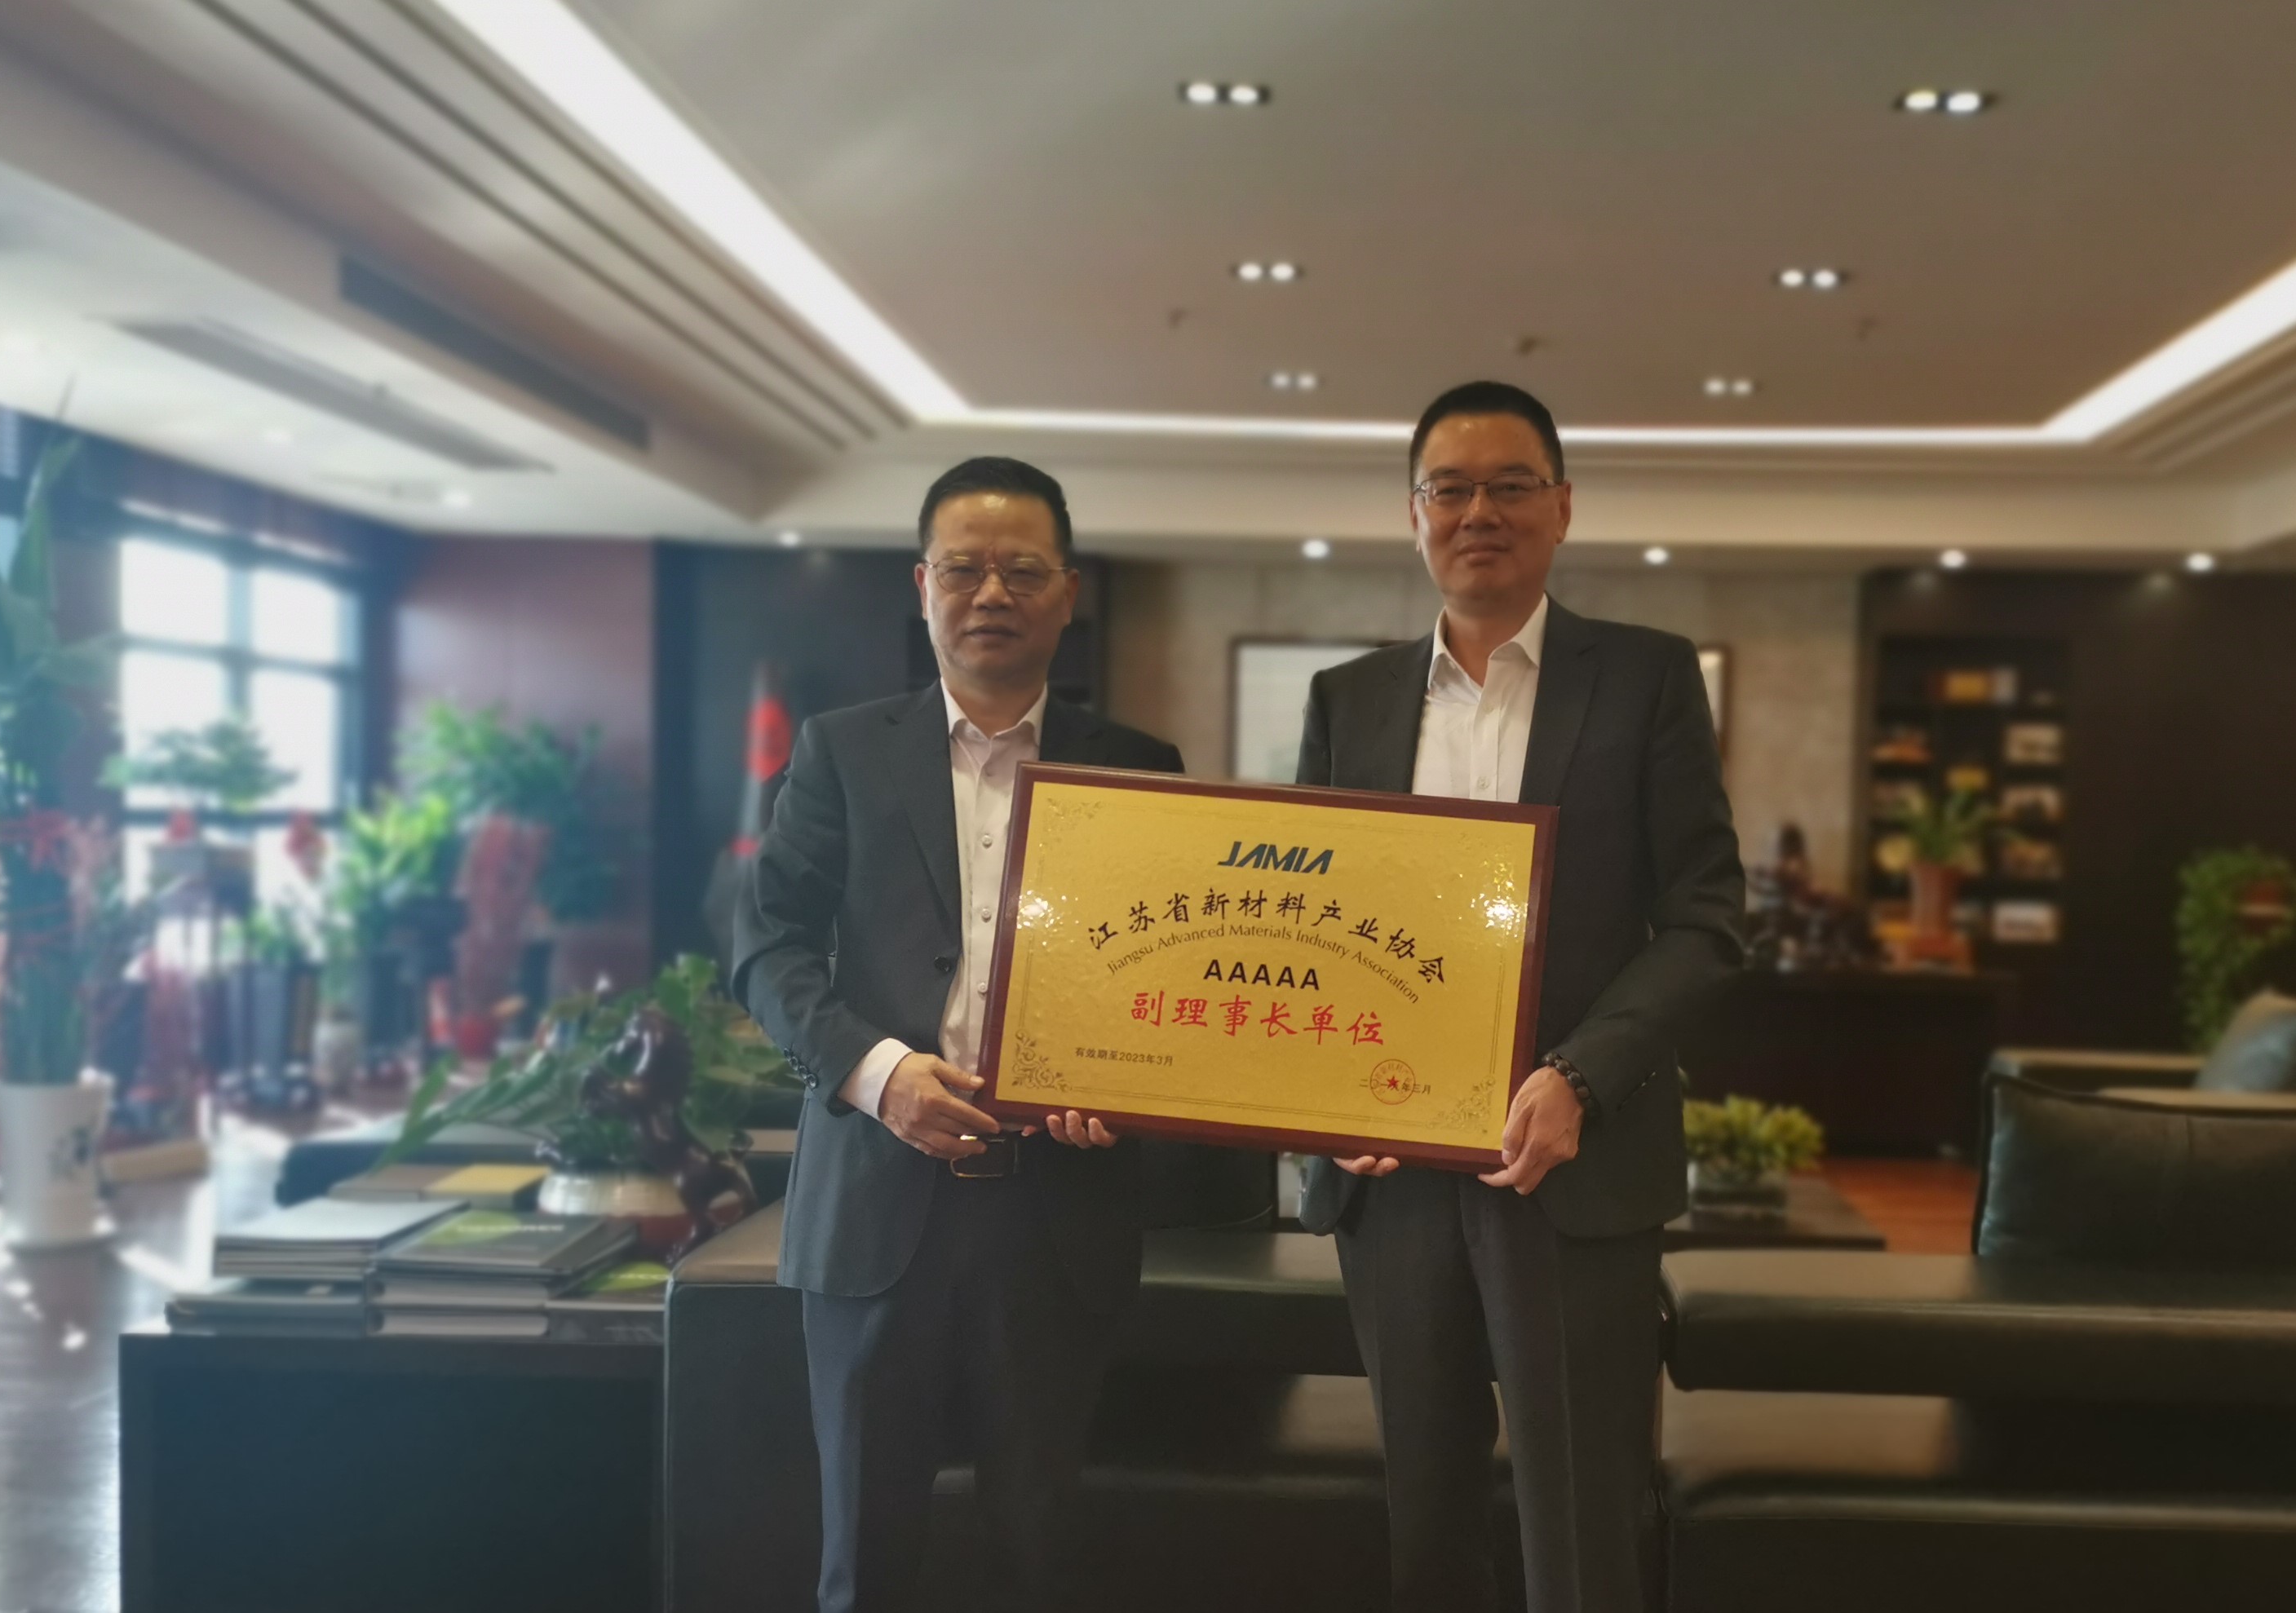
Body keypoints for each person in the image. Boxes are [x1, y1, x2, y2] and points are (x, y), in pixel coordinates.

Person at [1295, 381, 1745, 1613]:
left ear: (1561, 507)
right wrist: (1327, 1094)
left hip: (1570, 1160)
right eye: (1449, 488)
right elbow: (1314, 926)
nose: (1477, 512)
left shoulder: (1646, 678)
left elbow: (1706, 919)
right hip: (1391, 1178)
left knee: (1582, 1515)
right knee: (1426, 1514)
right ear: (1414, 513)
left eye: (1509, 486)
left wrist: (1581, 1076)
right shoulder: (1350, 700)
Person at [732, 456, 1185, 1613]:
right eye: (965, 569)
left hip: (1060, 1213)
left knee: (1043, 1555)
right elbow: (767, 948)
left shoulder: (1138, 768)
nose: (993, 593)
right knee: (866, 1558)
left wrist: (1123, 1082)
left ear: (1068, 593)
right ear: (922, 585)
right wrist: (877, 1075)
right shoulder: (842, 751)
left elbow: (1163, 976)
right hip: (876, 1209)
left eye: (1023, 571)